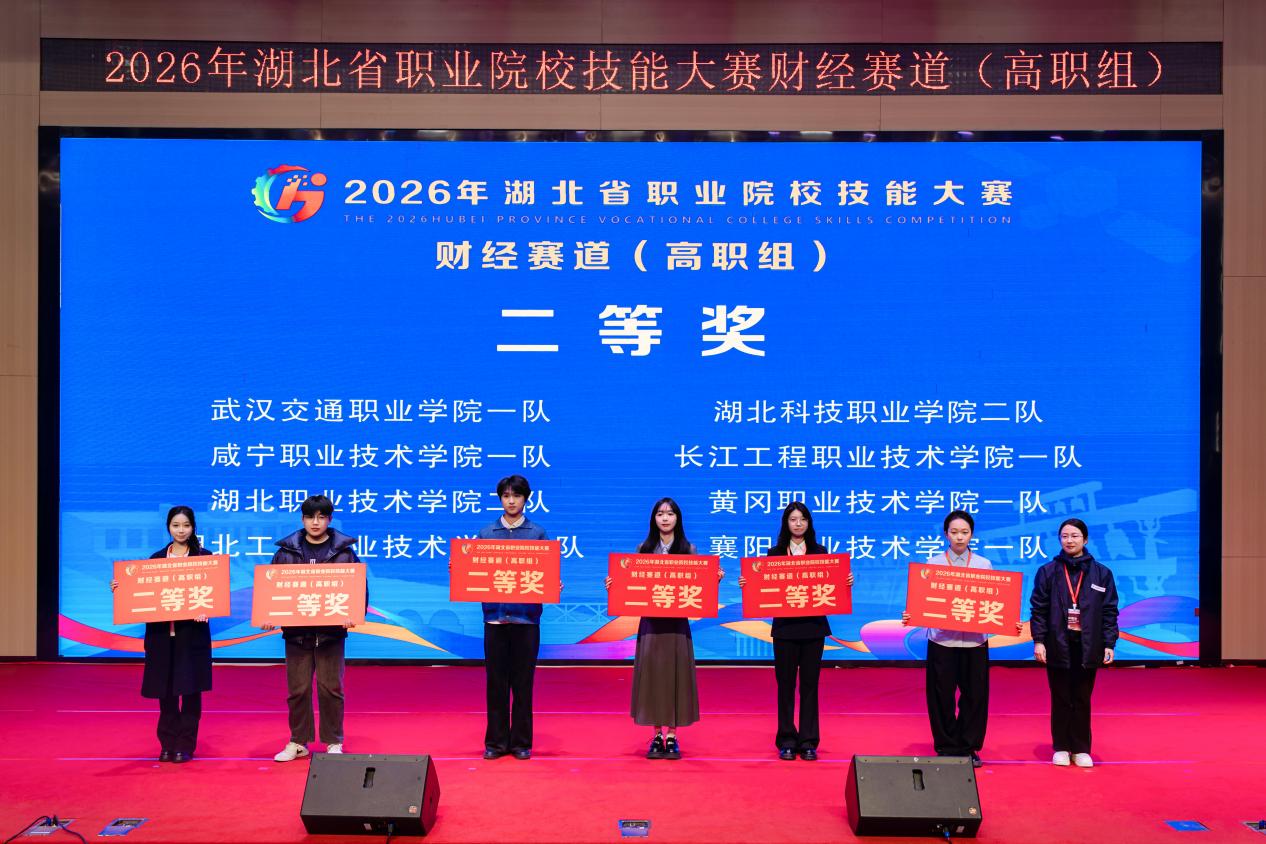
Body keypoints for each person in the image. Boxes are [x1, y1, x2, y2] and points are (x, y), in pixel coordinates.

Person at [606, 498, 722, 760]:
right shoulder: (643, 549)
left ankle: (672, 736)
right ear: (654, 519)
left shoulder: (688, 549)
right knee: (653, 678)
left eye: (670, 513)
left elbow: (700, 589)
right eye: (660, 514)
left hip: (677, 625)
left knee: (675, 677)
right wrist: (615, 585)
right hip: (651, 624)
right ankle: (657, 734)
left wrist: (713, 580)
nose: (665, 518)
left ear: (678, 518)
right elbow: (630, 585)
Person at [737, 502, 854, 761]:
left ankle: (809, 741)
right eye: (793, 519)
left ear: (809, 523)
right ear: (786, 523)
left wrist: (846, 581)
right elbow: (763, 587)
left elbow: (832, 586)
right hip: (785, 630)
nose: (798, 523)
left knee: (810, 686)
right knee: (786, 686)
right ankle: (787, 739)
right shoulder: (775, 554)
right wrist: (749, 583)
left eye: (802, 519)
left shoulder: (821, 553)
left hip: (813, 628)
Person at [265, 494, 364, 762]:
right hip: (297, 635)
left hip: (331, 634)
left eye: (321, 517)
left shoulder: (344, 553)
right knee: (298, 691)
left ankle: (333, 742)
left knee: (331, 689)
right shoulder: (286, 553)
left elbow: (359, 589)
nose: (315, 522)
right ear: (302, 519)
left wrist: (353, 613)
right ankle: (298, 741)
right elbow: (271, 590)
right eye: (310, 517)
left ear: (330, 519)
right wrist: (268, 613)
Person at [110, 506, 212, 763]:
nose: (181, 530)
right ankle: (167, 743)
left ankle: (185, 745)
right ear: (168, 527)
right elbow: (141, 593)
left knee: (191, 692)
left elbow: (213, 595)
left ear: (193, 527)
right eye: (176, 525)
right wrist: (121, 588)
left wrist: (206, 609)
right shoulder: (155, 559)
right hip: (161, 637)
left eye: (186, 525)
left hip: (191, 636)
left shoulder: (204, 558)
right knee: (166, 693)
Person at [902, 510, 998, 768]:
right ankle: (946, 745)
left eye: (964, 532)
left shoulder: (983, 564)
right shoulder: (933, 564)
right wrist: (912, 613)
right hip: (942, 641)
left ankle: (968, 746)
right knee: (941, 695)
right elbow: (923, 602)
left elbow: (993, 601)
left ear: (972, 534)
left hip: (975, 642)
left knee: (974, 695)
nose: (959, 537)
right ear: (946, 534)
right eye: (954, 532)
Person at [1029, 517, 1119, 768]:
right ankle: (1061, 747)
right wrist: (1039, 641)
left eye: (1075, 536)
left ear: (1085, 540)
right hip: (1057, 643)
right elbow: (1038, 609)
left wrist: (1109, 643)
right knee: (1060, 696)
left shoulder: (1102, 573)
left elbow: (1109, 611)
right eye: (1065, 536)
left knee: (1081, 697)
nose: (1069, 540)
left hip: (1088, 644)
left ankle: (1080, 749)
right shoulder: (1048, 572)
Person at [477, 475, 553, 761]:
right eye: (506, 496)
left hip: (526, 620)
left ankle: (521, 742)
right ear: (500, 499)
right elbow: (476, 574)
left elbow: (546, 574)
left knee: (523, 685)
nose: (511, 501)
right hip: (495, 619)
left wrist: (552, 583)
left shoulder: (538, 533)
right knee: (495, 684)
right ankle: (496, 743)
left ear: (526, 499)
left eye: (517, 496)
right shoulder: (486, 533)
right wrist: (460, 569)